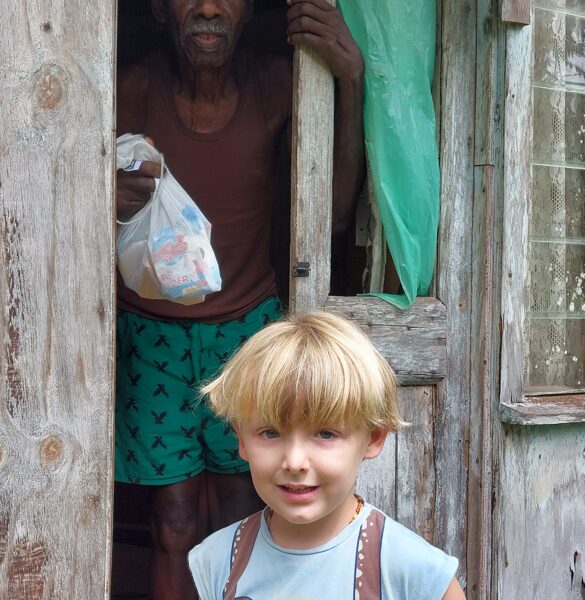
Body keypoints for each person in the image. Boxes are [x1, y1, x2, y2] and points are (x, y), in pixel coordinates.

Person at [114, 0, 365, 598]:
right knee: (173, 524)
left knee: (241, 514)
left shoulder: (276, 85)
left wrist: (351, 80)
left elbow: (331, 211)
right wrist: (107, 197)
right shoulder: (131, 88)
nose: (208, 8)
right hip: (152, 335)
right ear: (159, 8)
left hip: (247, 333)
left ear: (251, 9)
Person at [188, 311, 466, 599]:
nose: (294, 462)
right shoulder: (217, 561)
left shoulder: (416, 574)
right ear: (241, 438)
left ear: (373, 438)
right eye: (270, 433)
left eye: (325, 434)